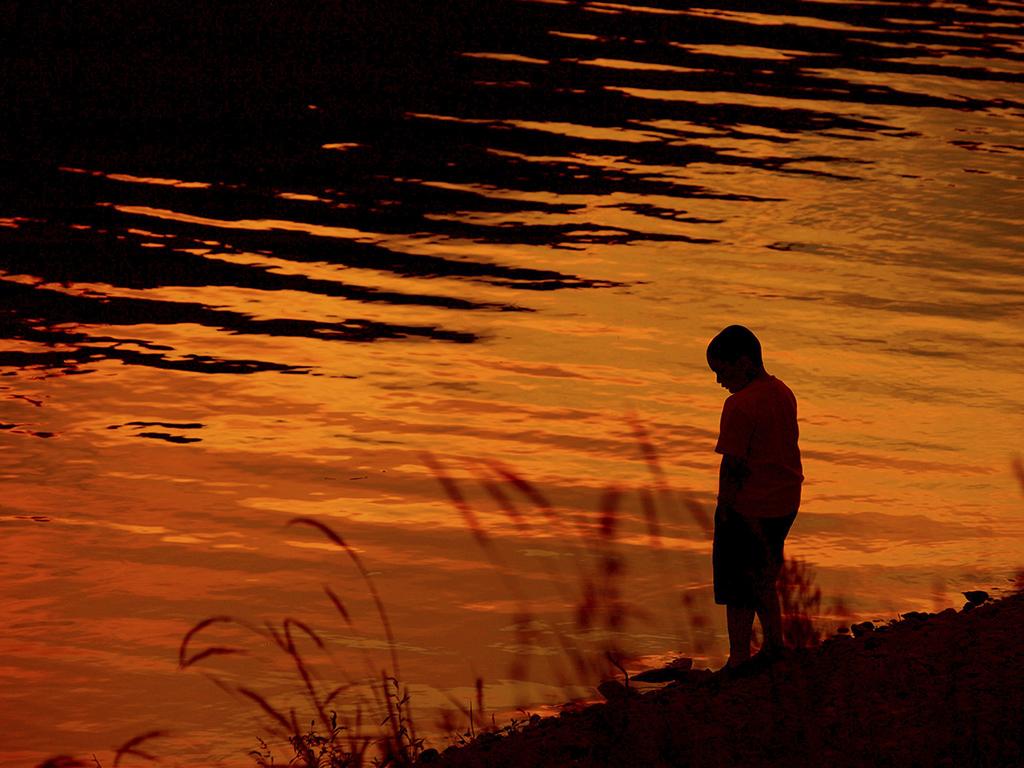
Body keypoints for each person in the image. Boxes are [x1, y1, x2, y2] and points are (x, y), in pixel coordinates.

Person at [707, 325, 803, 670]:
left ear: (744, 362)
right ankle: (775, 644)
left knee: (736, 585)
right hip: (786, 500)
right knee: (764, 575)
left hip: (751, 505)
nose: (720, 381)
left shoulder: (739, 406)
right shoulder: (783, 392)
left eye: (722, 371)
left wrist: (724, 509)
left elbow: (732, 464)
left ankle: (738, 657)